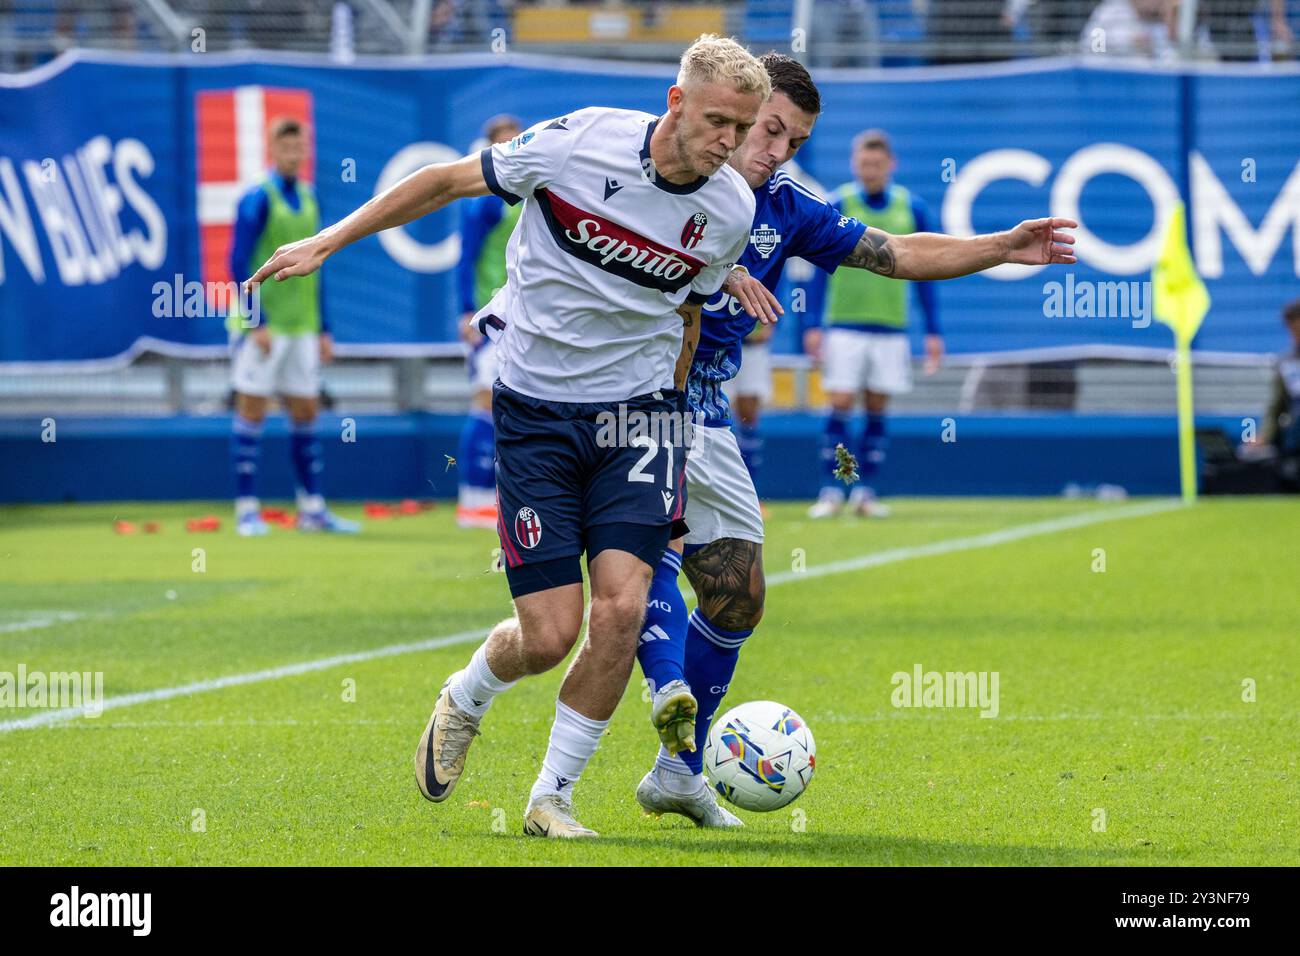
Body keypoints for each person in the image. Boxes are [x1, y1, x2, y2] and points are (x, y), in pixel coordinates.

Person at [246, 35, 770, 838]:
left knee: (621, 611)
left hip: (638, 420)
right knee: (549, 635)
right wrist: (327, 242)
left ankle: (550, 799)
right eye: (717, 122)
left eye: (742, 128)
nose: (729, 143)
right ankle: (466, 696)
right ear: (676, 102)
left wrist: (672, 410)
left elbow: (688, 315)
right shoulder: (581, 141)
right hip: (533, 414)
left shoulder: (729, 209)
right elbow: (442, 181)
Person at [632, 53, 1078, 827]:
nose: (774, 150)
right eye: (767, 129)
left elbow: (896, 251)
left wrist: (999, 247)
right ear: (731, 110)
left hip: (705, 408)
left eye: (793, 141)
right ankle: (617, 727)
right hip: (632, 396)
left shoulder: (789, 207)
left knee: (739, 595)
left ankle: (676, 766)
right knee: (633, 573)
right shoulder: (659, 175)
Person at [227, 117, 359, 537]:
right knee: (252, 410)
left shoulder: (310, 197)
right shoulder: (257, 199)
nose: (293, 154)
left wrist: (324, 328)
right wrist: (255, 320)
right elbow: (236, 262)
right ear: (273, 150)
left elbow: (318, 268)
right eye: (286, 147)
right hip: (265, 328)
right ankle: (247, 508)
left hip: (302, 327)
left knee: (305, 410)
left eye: (299, 147)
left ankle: (312, 507)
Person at [806, 129, 940, 519]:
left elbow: (927, 272)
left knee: (878, 404)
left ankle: (865, 490)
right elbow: (817, 270)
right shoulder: (839, 204)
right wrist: (813, 323)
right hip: (844, 325)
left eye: (877, 164)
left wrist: (933, 330)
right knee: (841, 401)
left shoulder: (910, 208)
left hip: (891, 327)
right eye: (864, 164)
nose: (871, 171)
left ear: (890, 165)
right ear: (855, 165)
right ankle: (832, 487)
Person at [454, 114, 523, 529]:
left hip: (524, 316)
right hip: (489, 315)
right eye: (502, 141)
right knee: (486, 400)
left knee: (510, 405)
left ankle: (491, 498)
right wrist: (466, 309)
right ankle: (472, 499)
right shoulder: (485, 201)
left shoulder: (531, 194)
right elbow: (465, 256)